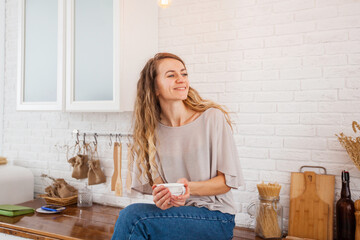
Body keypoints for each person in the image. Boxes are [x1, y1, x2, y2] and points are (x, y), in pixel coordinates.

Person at [111, 52, 244, 240]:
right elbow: (161, 189)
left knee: (133, 218)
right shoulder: (150, 133)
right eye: (171, 75)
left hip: (217, 217)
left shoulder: (212, 118)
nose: (181, 80)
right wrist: (164, 200)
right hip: (177, 216)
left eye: (184, 74)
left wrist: (188, 188)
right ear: (154, 87)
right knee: (133, 219)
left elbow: (226, 183)